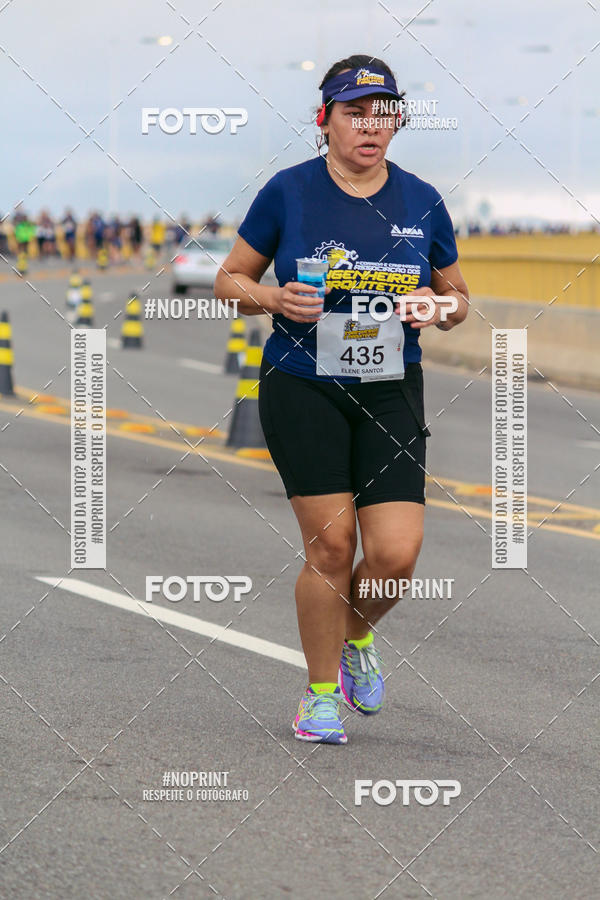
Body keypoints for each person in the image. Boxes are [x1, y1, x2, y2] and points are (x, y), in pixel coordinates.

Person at [214, 54, 469, 745]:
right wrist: (269, 295)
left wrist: (437, 307)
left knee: (396, 554)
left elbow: (459, 299)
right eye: (356, 112)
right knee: (332, 546)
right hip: (303, 385)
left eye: (384, 115)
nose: (371, 127)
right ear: (325, 119)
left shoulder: (422, 201)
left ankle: (356, 636)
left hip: (390, 388)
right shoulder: (289, 192)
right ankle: (319, 694)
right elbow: (229, 278)